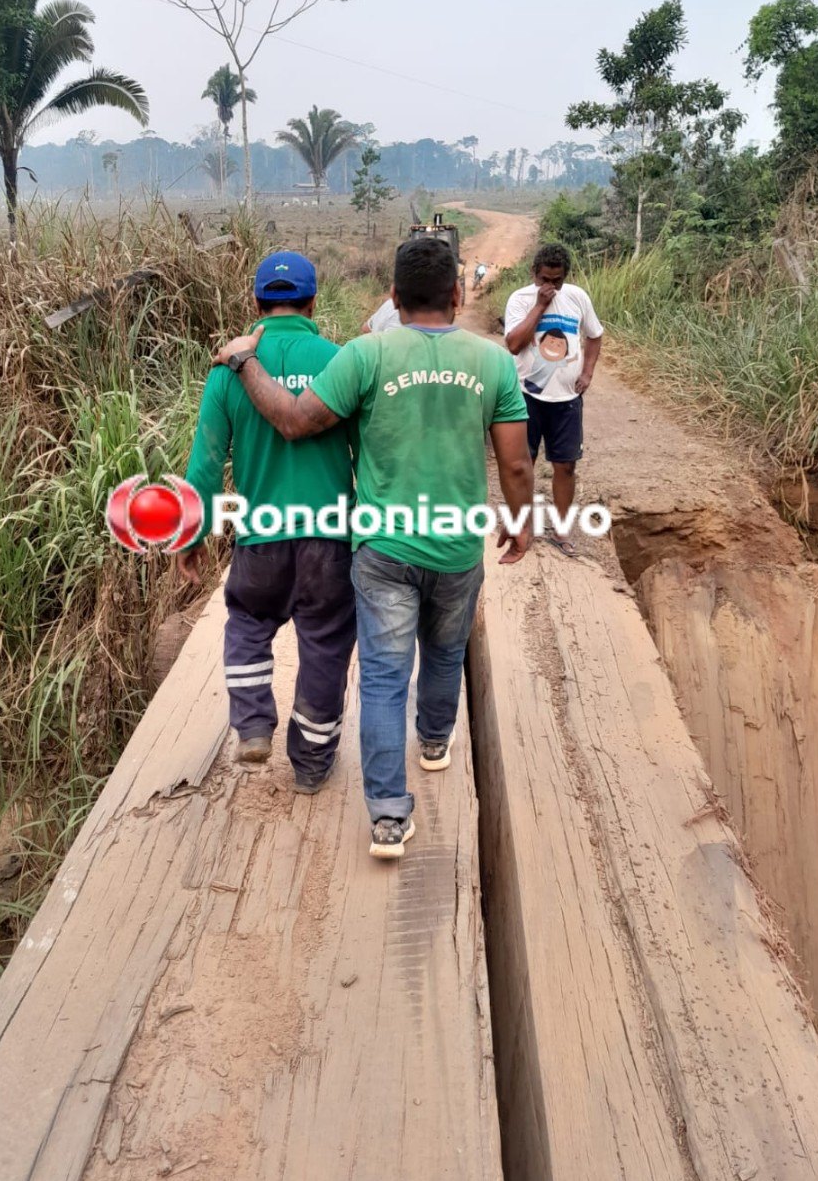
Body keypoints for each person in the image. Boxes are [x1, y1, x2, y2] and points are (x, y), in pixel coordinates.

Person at [213, 236, 534, 860]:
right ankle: (436, 743)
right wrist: (521, 522)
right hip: (456, 548)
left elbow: (293, 421)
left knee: (385, 679)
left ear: (393, 297)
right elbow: (517, 465)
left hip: (382, 549)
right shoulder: (493, 362)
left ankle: (388, 816)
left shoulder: (364, 356)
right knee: (444, 654)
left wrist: (243, 362)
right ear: (458, 294)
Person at [179, 251, 356, 794]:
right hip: (330, 538)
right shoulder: (342, 361)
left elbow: (206, 463)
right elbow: (367, 455)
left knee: (249, 627)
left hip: (261, 538)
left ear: (255, 303)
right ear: (313, 302)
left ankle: (254, 724)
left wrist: (192, 535)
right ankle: (311, 765)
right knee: (324, 643)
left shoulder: (228, 369)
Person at [503, 242, 603, 558]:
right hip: (527, 395)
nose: (551, 286)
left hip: (567, 399)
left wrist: (587, 372)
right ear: (534, 273)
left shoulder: (577, 298)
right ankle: (522, 526)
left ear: (565, 277)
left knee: (566, 465)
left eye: (557, 280)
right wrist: (539, 307)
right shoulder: (520, 300)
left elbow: (595, 335)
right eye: (545, 279)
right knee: (524, 464)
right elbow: (514, 344)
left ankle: (561, 530)